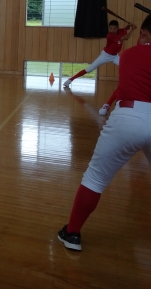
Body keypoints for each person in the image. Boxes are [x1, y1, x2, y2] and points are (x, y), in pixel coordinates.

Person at [58, 14, 151, 252]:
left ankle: (72, 234)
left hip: (126, 118)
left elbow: (128, 78)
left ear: (144, 34)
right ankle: (70, 80)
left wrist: (134, 31)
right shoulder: (116, 40)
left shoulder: (128, 56)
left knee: (95, 179)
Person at [64, 20, 136, 88]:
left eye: (114, 28)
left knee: (126, 66)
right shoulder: (110, 36)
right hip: (105, 55)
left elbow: (126, 29)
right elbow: (126, 38)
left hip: (115, 56)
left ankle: (133, 83)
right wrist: (133, 29)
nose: (112, 30)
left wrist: (129, 25)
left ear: (118, 28)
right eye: (110, 28)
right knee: (90, 69)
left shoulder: (121, 31)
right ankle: (70, 80)